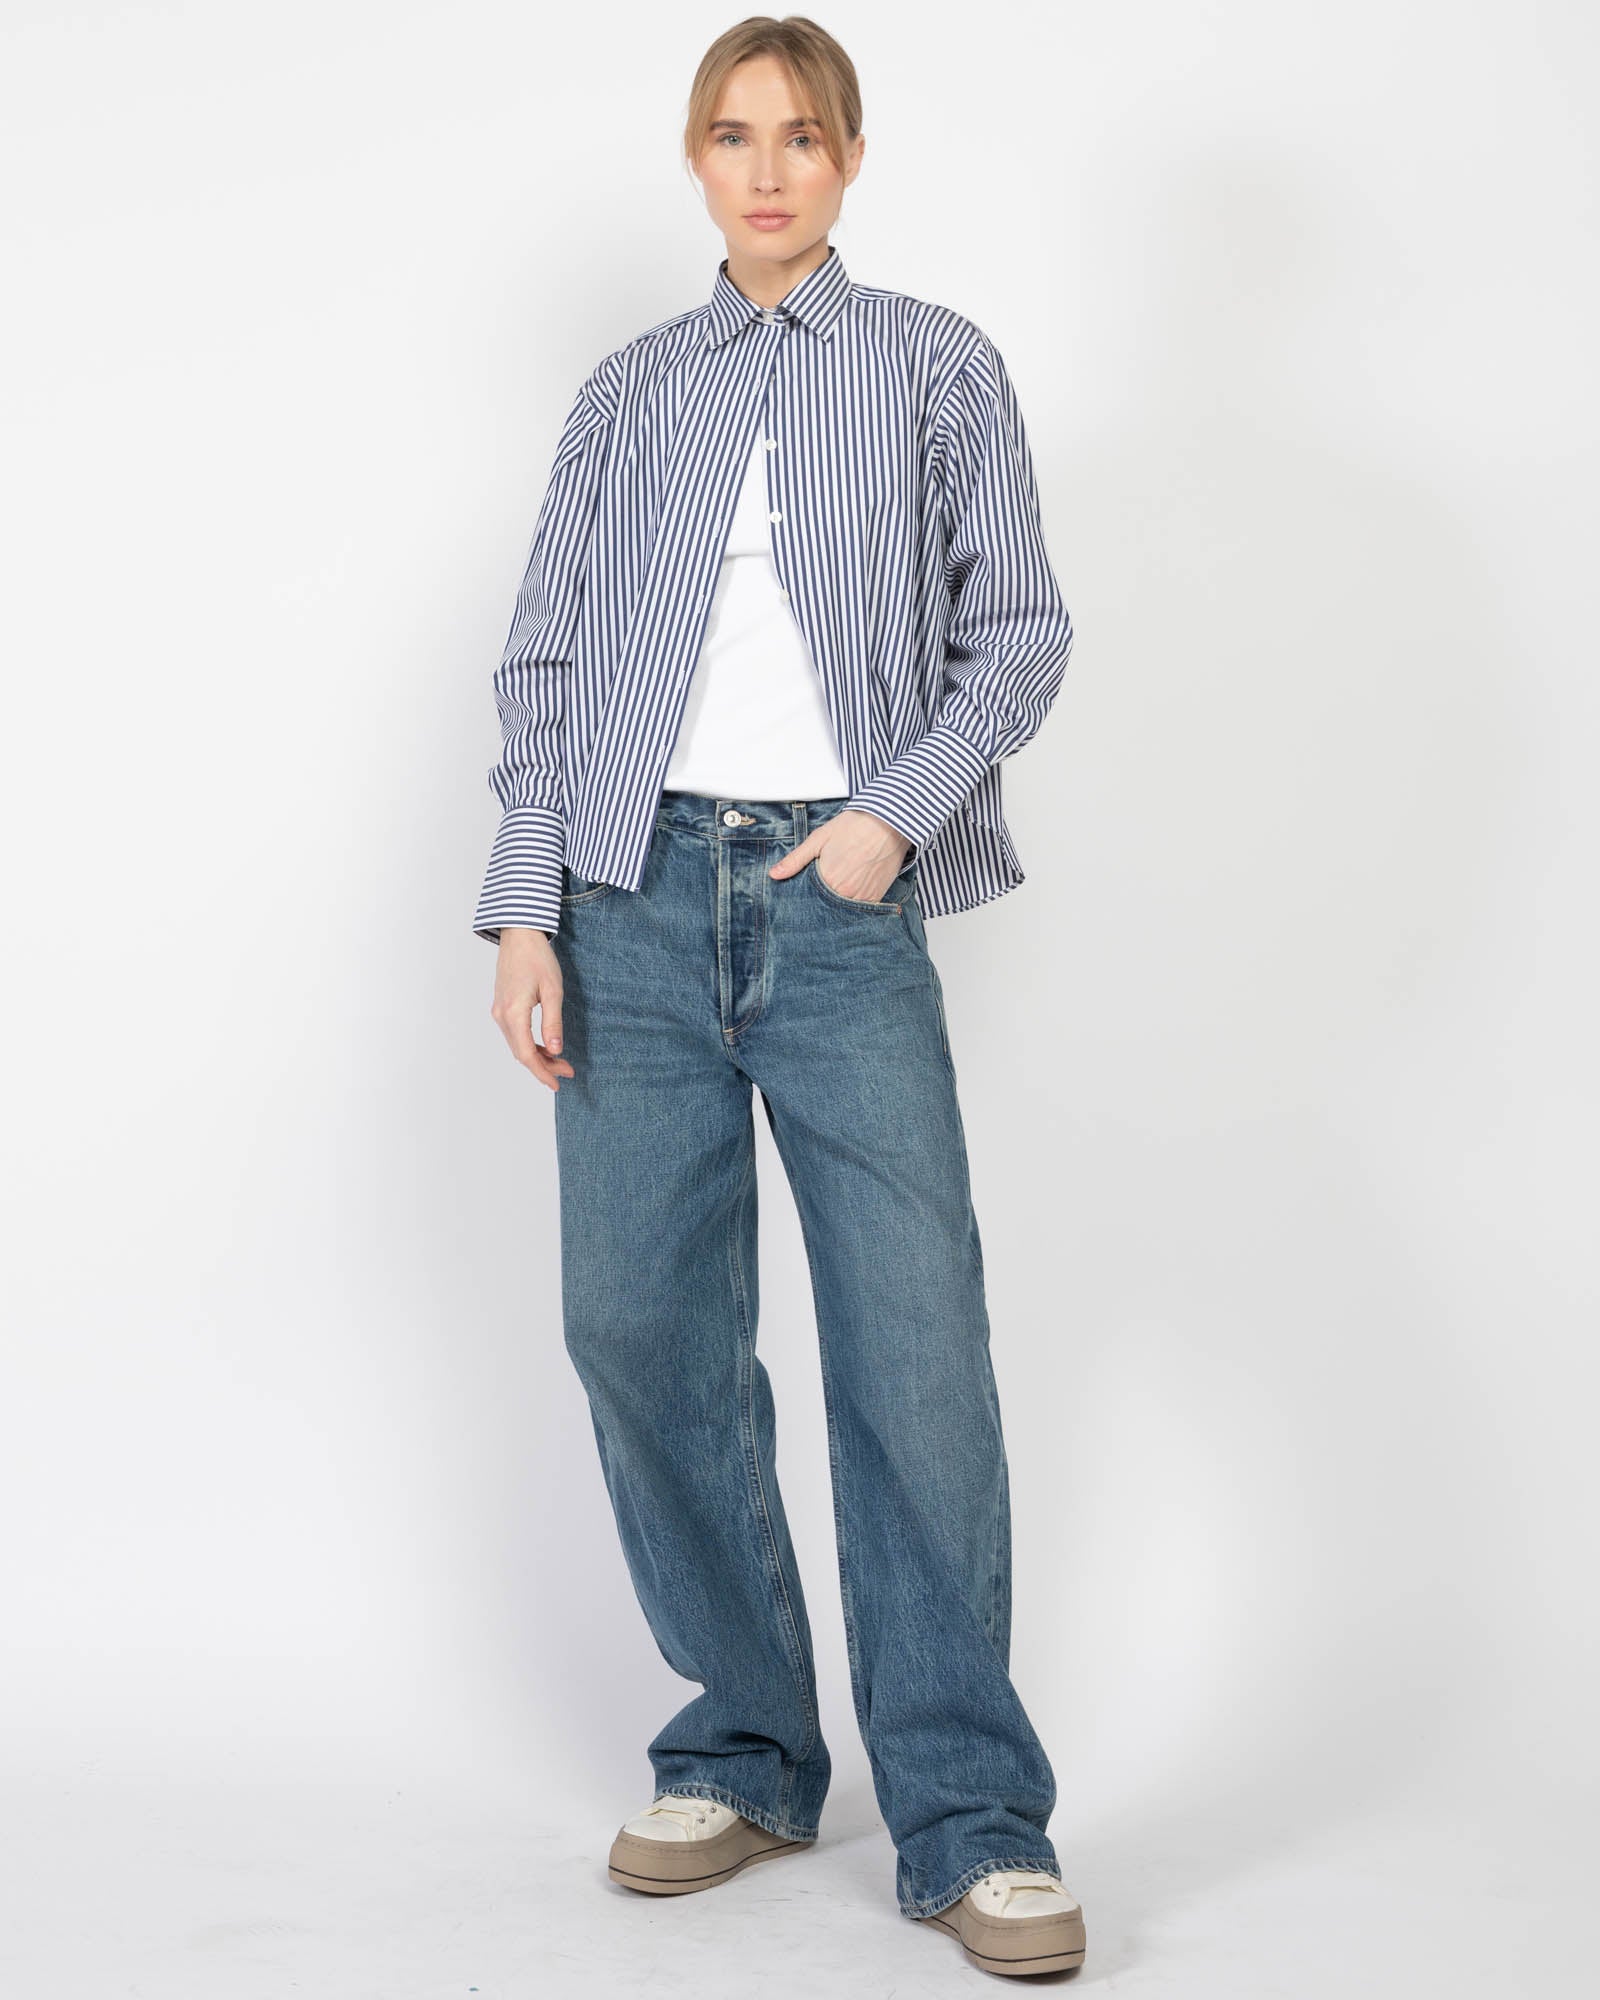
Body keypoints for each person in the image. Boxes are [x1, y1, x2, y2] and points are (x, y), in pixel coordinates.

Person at [472, 16, 1082, 1980]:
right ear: (694, 158)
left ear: (850, 159)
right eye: (731, 136)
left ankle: (971, 1816)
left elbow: (1018, 632)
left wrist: (889, 821)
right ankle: (741, 1749)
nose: (764, 170)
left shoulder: (932, 365)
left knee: (912, 1347)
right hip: (626, 894)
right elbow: (546, 662)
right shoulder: (629, 392)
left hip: (836, 898)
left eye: (799, 137)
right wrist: (528, 910)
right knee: (637, 1324)